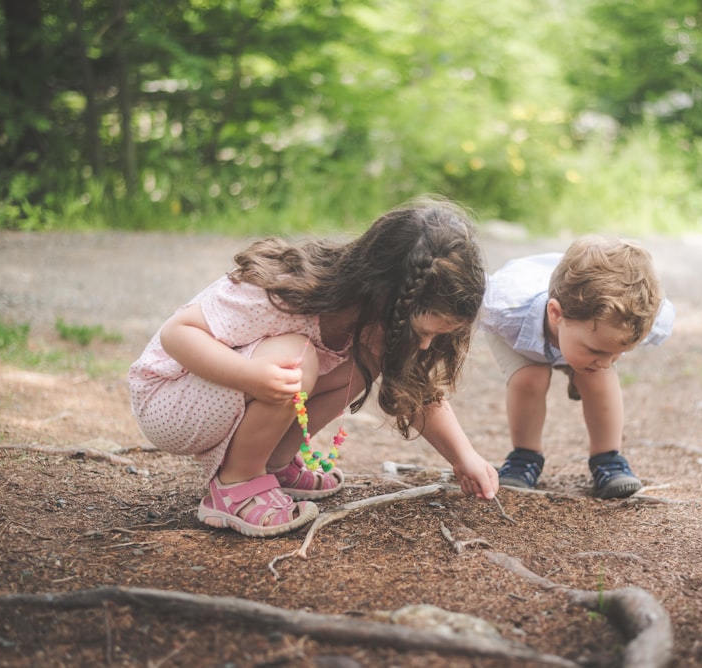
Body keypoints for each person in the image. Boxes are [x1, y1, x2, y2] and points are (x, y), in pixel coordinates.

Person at [129, 196, 499, 538]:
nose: (424, 345)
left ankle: (272, 465)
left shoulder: (376, 326)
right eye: (423, 331)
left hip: (218, 397)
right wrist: (250, 376)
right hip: (170, 399)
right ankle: (235, 487)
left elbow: (415, 388)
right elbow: (177, 334)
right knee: (295, 357)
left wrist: (464, 457)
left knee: (364, 361)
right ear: (383, 294)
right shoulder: (285, 292)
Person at [479, 236, 674, 498]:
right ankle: (524, 458)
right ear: (555, 314)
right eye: (598, 351)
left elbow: (605, 350)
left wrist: (595, 356)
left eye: (617, 353)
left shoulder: (635, 316)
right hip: (520, 335)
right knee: (530, 378)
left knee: (599, 377)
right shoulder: (503, 309)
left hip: (572, 332)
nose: (606, 360)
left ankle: (608, 459)